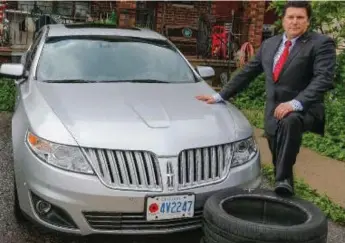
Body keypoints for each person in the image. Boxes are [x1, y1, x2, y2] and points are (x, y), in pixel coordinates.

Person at [196, 1, 336, 196]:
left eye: (300, 17)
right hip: (273, 110)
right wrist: (219, 95)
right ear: (283, 20)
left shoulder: (321, 44)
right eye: (291, 17)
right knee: (278, 152)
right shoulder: (270, 44)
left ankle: (284, 182)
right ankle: (285, 187)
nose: (294, 22)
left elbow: (323, 79)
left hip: (305, 108)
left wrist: (295, 103)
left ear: (308, 21)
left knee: (290, 121)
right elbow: (247, 73)